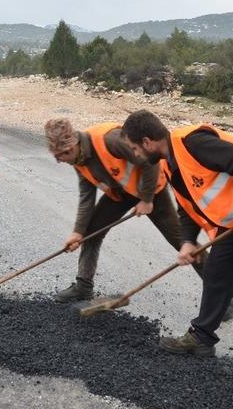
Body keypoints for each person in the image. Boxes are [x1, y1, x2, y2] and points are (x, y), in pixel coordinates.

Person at [120, 110, 233, 382]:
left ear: (147, 141)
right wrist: (188, 242)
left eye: (134, 148)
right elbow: (187, 208)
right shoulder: (169, 163)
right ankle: (202, 338)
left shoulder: (193, 144)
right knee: (216, 273)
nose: (136, 155)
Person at [45, 118, 197, 303]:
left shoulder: (110, 140)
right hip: (121, 193)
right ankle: (83, 287)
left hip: (150, 190)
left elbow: (150, 162)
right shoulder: (79, 159)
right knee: (91, 233)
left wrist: (147, 199)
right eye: (57, 157)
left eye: (61, 156)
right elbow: (87, 198)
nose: (60, 161)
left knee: (182, 241)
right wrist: (78, 232)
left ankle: (224, 294)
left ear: (71, 147)